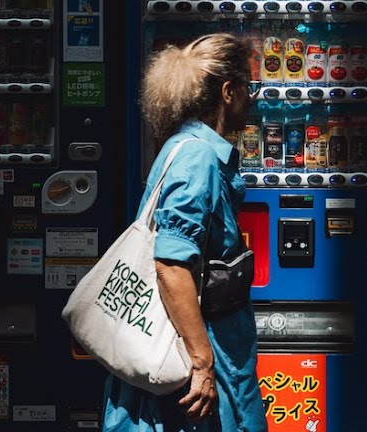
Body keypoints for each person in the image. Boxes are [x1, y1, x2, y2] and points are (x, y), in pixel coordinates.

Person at [104, 33, 266, 432]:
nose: (253, 98)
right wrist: (202, 364)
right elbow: (172, 265)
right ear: (228, 92)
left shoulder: (184, 146)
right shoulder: (198, 157)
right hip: (195, 364)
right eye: (249, 88)